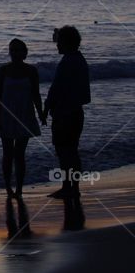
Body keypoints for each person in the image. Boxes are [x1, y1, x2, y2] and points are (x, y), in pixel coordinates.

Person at [42, 25, 90, 199]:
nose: (57, 45)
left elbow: (56, 89)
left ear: (66, 42)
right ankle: (72, 187)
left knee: (64, 151)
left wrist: (47, 107)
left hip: (65, 114)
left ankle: (68, 187)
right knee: (71, 151)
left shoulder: (68, 62)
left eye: (59, 41)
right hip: (75, 112)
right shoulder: (79, 60)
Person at [0, 38, 44, 198]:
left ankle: (20, 189)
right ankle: (8, 188)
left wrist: (41, 112)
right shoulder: (4, 70)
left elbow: (36, 94)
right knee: (7, 153)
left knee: (20, 153)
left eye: (18, 50)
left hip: (25, 114)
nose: (15, 53)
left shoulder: (31, 71)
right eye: (12, 50)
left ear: (25, 53)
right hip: (6, 115)